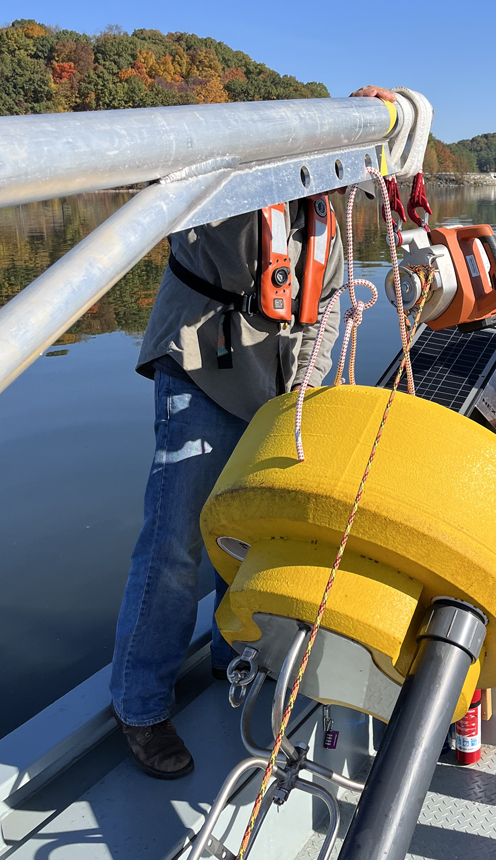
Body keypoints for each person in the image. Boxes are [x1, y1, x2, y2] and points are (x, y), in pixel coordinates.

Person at [110, 85, 396, 780]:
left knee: (244, 537)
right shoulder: (226, 191)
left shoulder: (329, 222)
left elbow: (326, 310)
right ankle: (140, 706)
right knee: (175, 541)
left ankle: (225, 653)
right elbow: (186, 189)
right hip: (202, 370)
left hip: (274, 394)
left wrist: (307, 393)